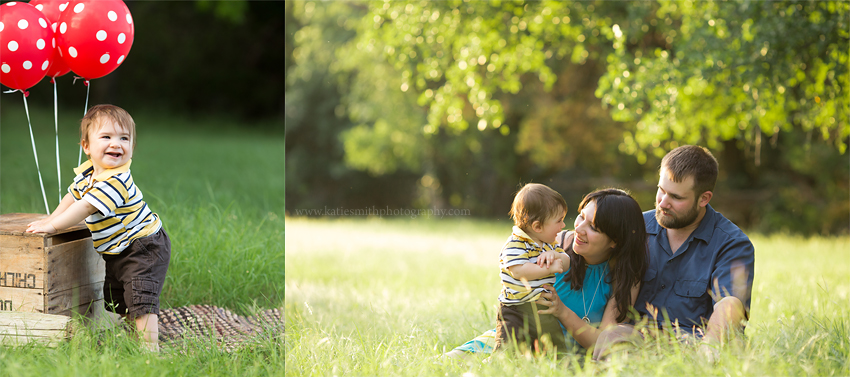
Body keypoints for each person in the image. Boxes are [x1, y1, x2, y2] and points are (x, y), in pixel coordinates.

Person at [26, 104, 170, 352]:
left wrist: (52, 226)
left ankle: (150, 351)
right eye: (106, 137)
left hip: (143, 246)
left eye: (124, 138)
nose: (116, 144)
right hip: (118, 248)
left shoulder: (116, 180)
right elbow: (72, 197)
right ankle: (132, 337)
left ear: (132, 147)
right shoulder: (89, 173)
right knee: (120, 297)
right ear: (86, 147)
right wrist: (51, 218)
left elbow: (84, 208)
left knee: (140, 295)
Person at [592, 145, 755, 361]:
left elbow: (731, 305)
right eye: (661, 190)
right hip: (636, 341)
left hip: (693, 347)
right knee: (613, 337)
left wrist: (708, 348)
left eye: (676, 197)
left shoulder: (732, 243)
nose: (663, 202)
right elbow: (585, 248)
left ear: (704, 198)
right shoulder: (635, 226)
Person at [445, 188, 648, 357]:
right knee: (449, 362)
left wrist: (562, 312)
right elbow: (513, 267)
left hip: (560, 355)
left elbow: (602, 345)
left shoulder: (625, 277)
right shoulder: (554, 243)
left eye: (593, 227)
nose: (578, 228)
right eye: (581, 217)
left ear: (615, 240)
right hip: (517, 337)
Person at [494, 183, 571, 353]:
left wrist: (557, 256)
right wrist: (548, 270)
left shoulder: (550, 244)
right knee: (509, 349)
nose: (563, 225)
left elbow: (566, 262)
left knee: (556, 349)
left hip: (543, 308)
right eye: (559, 221)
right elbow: (519, 271)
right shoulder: (515, 243)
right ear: (537, 227)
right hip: (516, 310)